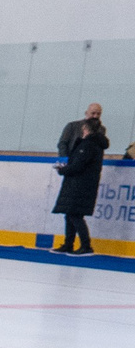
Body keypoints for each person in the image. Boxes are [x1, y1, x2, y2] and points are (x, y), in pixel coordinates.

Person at [55, 102, 107, 255]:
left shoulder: (90, 144)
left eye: (98, 114)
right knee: (70, 212)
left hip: (80, 179)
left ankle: (85, 245)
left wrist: (64, 169)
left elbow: (80, 163)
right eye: (93, 113)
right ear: (86, 113)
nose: (96, 116)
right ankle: (68, 243)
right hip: (76, 177)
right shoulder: (73, 127)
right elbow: (63, 144)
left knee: (74, 213)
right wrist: (65, 161)